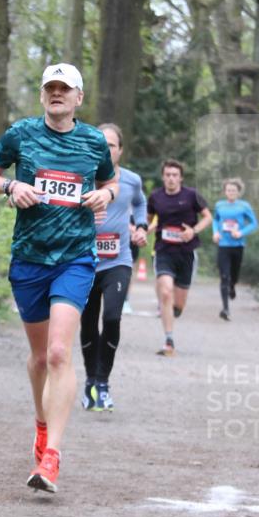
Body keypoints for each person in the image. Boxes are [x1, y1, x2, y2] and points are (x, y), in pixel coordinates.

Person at [0, 63, 118, 494]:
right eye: (50, 88)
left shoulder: (94, 141)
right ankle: (41, 425)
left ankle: (51, 457)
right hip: (29, 260)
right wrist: (9, 189)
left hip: (75, 258)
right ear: (43, 96)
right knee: (40, 358)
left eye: (65, 89)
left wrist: (104, 195)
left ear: (78, 98)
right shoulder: (21, 134)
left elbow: (110, 182)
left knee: (59, 352)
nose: (56, 94)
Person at [79, 123, 148, 412]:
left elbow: (140, 204)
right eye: (101, 144)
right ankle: (89, 381)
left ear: (120, 150)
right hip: (83, 261)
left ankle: (103, 382)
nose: (106, 149)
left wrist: (141, 227)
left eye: (111, 145)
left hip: (118, 261)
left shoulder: (131, 180)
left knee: (111, 318)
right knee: (88, 322)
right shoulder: (81, 177)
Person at [147, 159, 212, 356]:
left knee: (178, 304)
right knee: (166, 292)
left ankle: (174, 310)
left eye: (175, 175)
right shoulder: (155, 197)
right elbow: (150, 221)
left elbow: (208, 217)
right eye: (167, 175)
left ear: (181, 178)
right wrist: (144, 230)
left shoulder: (191, 195)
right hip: (164, 251)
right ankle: (169, 340)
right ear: (163, 177)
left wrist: (193, 230)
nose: (171, 178)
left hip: (186, 253)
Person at [212, 177, 258, 320]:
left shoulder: (244, 206)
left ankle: (233, 286)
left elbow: (253, 223)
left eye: (234, 190)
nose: (231, 192)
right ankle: (225, 309)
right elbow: (215, 220)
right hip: (223, 245)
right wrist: (216, 232)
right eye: (228, 190)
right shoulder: (219, 205)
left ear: (238, 192)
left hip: (238, 246)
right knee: (224, 276)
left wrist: (241, 233)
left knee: (234, 275)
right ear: (225, 192)